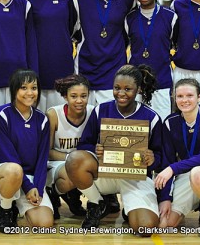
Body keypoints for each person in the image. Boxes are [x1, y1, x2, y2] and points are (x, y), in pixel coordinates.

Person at [65, 64, 162, 233]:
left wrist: (153, 159)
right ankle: (97, 203)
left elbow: (162, 157)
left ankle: (129, 206)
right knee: (74, 160)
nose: (121, 93)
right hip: (105, 171)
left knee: (145, 228)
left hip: (135, 178)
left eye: (127, 89)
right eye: (117, 88)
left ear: (138, 89)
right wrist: (95, 149)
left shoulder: (151, 117)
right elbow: (84, 145)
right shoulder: (100, 110)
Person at [155, 78, 200, 238]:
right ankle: (199, 200)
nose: (184, 100)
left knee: (199, 173)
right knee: (166, 224)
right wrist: (165, 198)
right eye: (180, 96)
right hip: (187, 172)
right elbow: (167, 161)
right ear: (174, 98)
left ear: (199, 97)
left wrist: (172, 169)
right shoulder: (170, 122)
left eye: (189, 95)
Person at [0, 69, 53, 233]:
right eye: (24, 87)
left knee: (44, 223)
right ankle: (5, 209)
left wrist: (37, 187)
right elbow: (6, 155)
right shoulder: (1, 115)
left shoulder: (42, 119)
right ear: (14, 89)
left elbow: (42, 159)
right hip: (4, 174)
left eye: (34, 88)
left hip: (28, 179)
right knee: (14, 170)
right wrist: (29, 186)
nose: (30, 93)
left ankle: (17, 205)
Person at [72, 0, 136, 105]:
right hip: (84, 68)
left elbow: (130, 34)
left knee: (108, 125)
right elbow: (73, 33)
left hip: (114, 70)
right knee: (86, 124)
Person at [19, 0, 75, 112]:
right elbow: (22, 33)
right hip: (36, 65)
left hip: (62, 64)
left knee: (59, 118)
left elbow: (72, 28)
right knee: (36, 118)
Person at [125, 0, 177, 119]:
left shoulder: (170, 17)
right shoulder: (129, 18)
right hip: (135, 83)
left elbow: (177, 44)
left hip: (162, 80)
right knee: (136, 128)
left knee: (161, 125)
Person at [45, 74, 94, 218]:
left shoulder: (93, 112)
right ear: (65, 97)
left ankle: (84, 199)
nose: (79, 100)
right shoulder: (53, 114)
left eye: (83, 96)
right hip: (56, 164)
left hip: (82, 163)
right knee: (72, 175)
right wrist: (72, 158)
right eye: (74, 96)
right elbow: (47, 152)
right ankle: (52, 193)